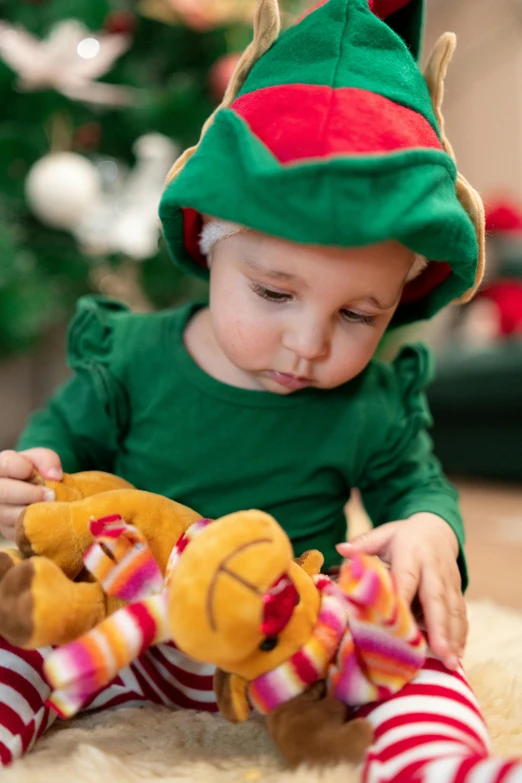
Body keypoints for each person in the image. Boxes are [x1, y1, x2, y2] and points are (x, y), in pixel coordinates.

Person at [1, 0, 517, 779]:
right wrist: (30, 470)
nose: (308, 343)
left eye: (358, 313)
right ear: (210, 246)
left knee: (416, 653)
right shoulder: (132, 354)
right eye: (275, 294)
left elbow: (417, 488)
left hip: (290, 641)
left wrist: (427, 533)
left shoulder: (371, 400)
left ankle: (441, 764)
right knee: (19, 626)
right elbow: (59, 446)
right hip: (128, 620)